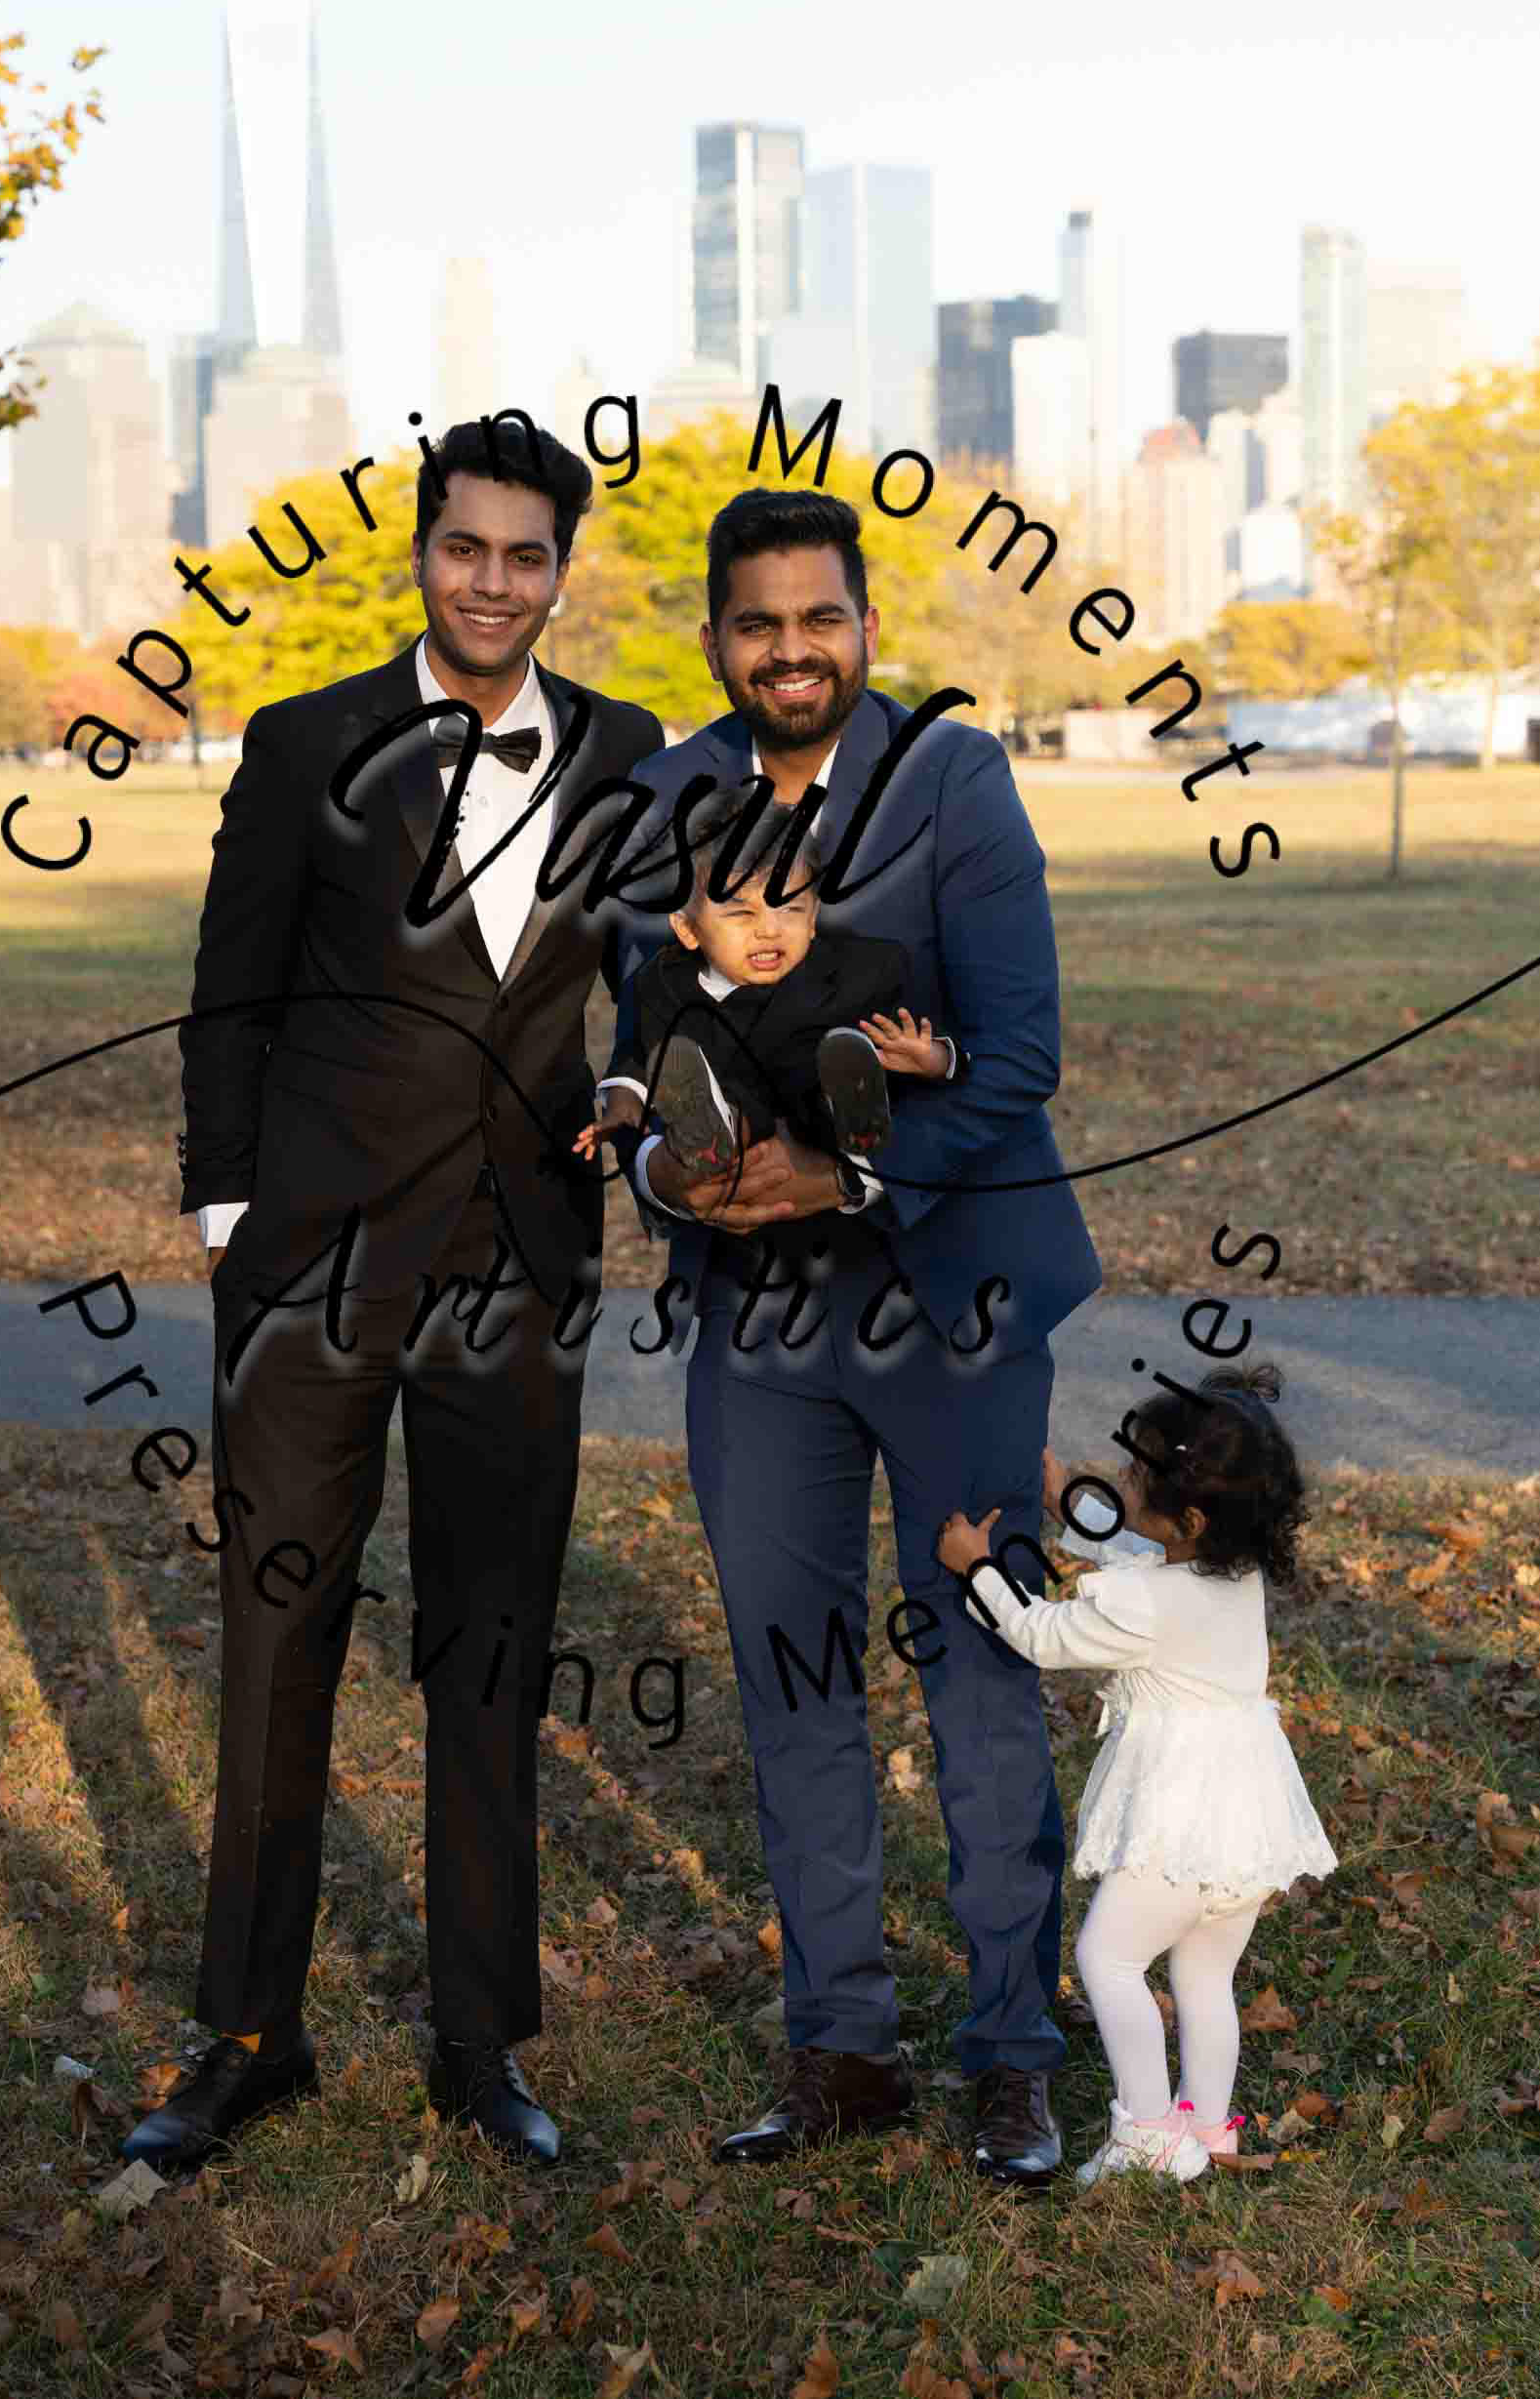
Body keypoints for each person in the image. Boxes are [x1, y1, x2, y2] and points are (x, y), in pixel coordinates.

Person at [120, 416, 662, 2178]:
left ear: (560, 571)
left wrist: (640, 1087)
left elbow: (658, 968)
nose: (491, 582)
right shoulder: (306, 740)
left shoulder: (628, 751)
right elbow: (230, 989)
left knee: (488, 1646)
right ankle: (248, 2033)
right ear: (422, 552)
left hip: (519, 1259)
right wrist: (230, 1215)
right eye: (464, 546)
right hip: (312, 1268)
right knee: (278, 1645)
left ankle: (476, 2034)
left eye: (525, 554)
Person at [605, 486, 1103, 2180]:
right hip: (757, 1321)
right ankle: (842, 2047)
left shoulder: (952, 779)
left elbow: (1019, 1054)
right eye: (758, 622)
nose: (791, 648)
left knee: (980, 1666)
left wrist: (845, 1165)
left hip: (950, 1295)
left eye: (820, 616)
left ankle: (1013, 2054)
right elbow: (643, 1040)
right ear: (716, 640)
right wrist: (674, 1177)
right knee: (794, 1675)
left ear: (867, 627)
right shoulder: (662, 800)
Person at [933, 1362, 1337, 2183]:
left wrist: (977, 1568)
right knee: (1204, 1972)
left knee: (1108, 1960)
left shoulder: (1142, 1605)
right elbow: (1134, 1551)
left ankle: (1148, 2136)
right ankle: (1210, 2126)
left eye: (1133, 1473)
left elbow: (1043, 1636)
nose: (1119, 1476)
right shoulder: (1231, 1570)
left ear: (1188, 1517)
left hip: (1178, 1816)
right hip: (1246, 1818)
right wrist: (1066, 1504)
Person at [571, 783, 968, 1180]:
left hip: (821, 1117)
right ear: (688, 929)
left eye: (791, 908)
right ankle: (711, 1134)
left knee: (830, 1077)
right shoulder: (664, 986)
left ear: (813, 918)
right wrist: (623, 1105)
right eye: (741, 914)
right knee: (730, 1104)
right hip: (739, 1121)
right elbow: (640, 1058)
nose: (769, 930)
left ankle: (855, 1117)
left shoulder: (859, 972)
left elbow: (935, 1041)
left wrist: (934, 1058)